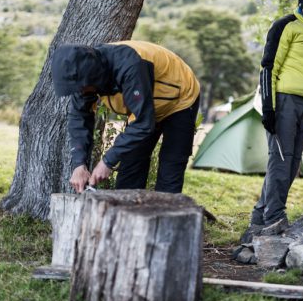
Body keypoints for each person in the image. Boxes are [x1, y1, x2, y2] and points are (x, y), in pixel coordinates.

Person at [52, 40, 201, 194]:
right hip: (145, 104)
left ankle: (167, 215)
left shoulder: (130, 66)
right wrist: (79, 164)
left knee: (171, 164)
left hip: (180, 98)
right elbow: (79, 119)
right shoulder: (82, 79)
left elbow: (143, 123)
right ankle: (129, 215)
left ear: (93, 76)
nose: (80, 92)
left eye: (82, 88)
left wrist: (106, 162)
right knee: (131, 163)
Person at [249, 0, 303, 233]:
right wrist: (269, 108)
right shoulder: (286, 25)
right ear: (301, 3)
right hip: (282, 100)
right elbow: (269, 68)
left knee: (293, 164)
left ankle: (260, 216)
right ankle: (275, 215)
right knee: (280, 161)